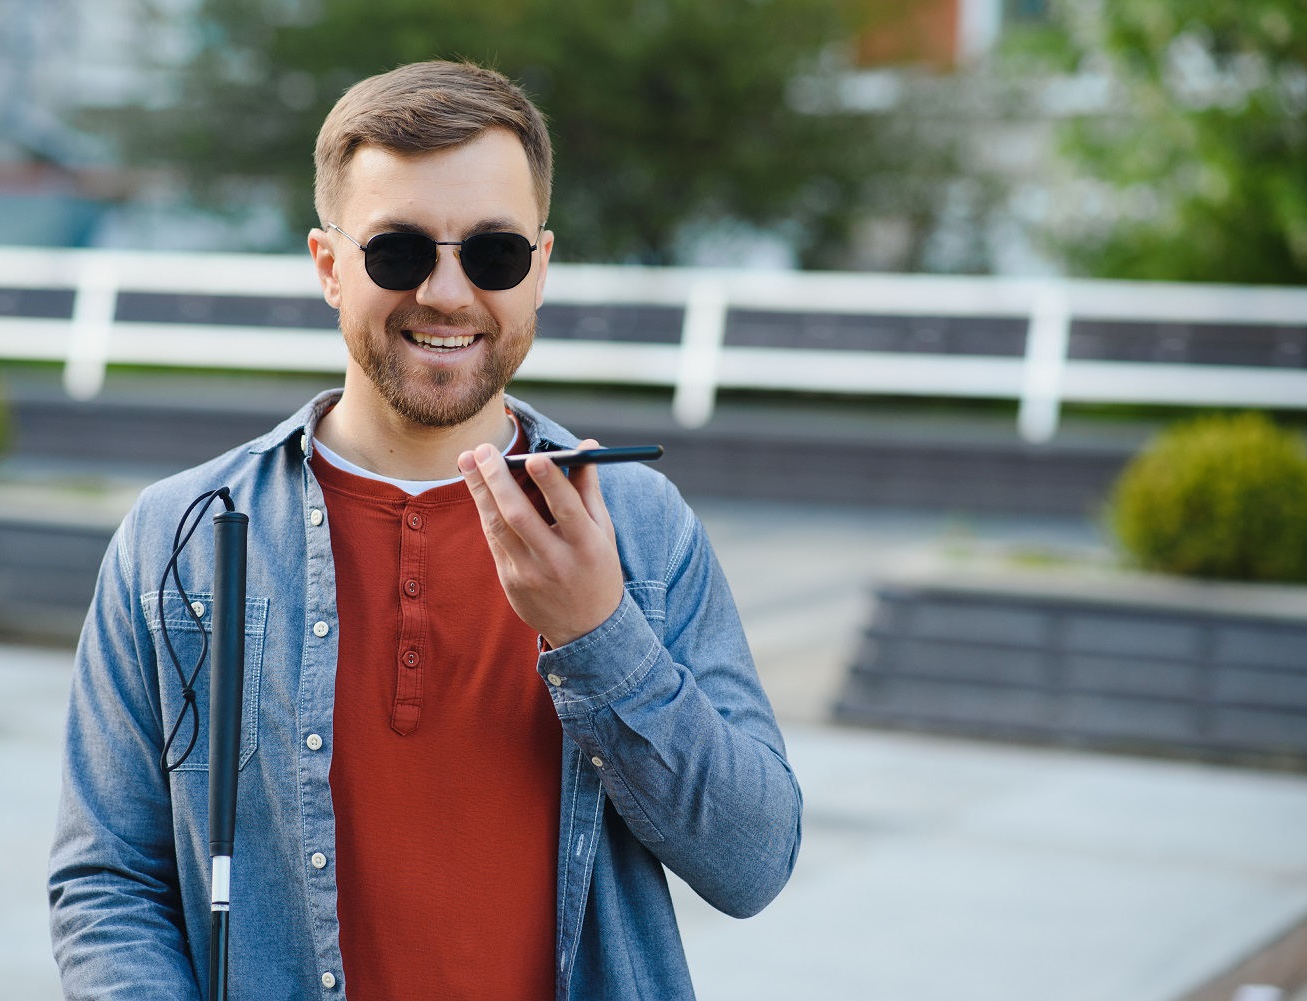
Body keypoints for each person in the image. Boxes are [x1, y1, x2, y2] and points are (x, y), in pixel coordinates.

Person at [48, 60, 801, 1001]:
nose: (448, 293)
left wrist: (599, 633)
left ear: (541, 269)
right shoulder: (184, 537)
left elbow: (756, 860)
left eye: (493, 254)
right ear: (329, 266)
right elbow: (109, 878)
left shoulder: (642, 529)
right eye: (399, 251)